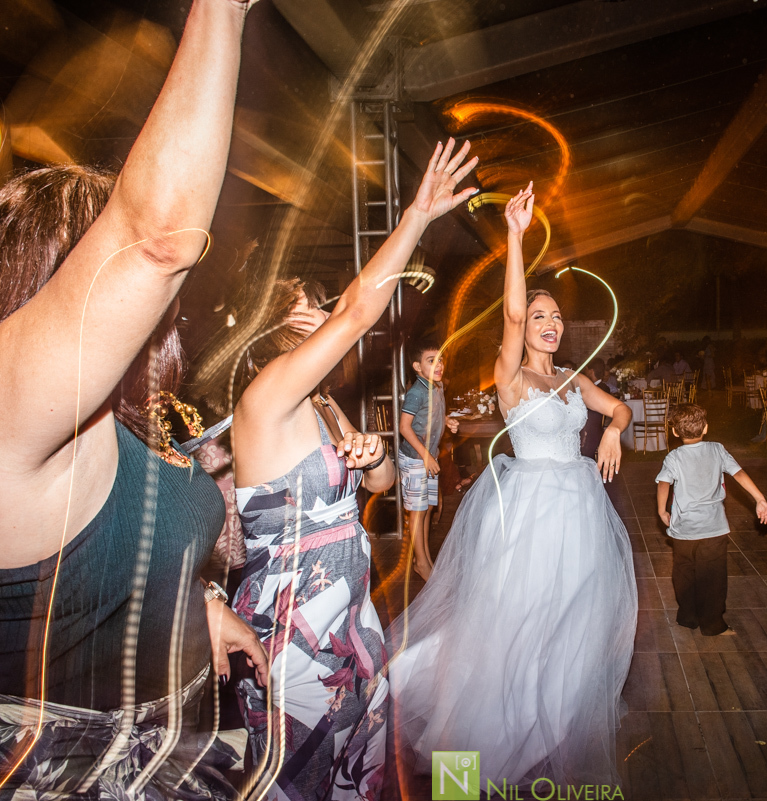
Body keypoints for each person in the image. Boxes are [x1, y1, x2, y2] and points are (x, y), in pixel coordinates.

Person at [0, 2, 269, 796]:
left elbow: (109, 560)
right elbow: (156, 238)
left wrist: (193, 608)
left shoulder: (109, 419)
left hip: (180, 747)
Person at [229, 140, 477, 800]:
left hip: (352, 620)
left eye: (319, 299)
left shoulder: (322, 400)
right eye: (300, 302)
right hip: (292, 635)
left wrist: (372, 455)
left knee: (362, 778)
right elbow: (358, 310)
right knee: (299, 782)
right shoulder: (265, 397)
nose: (318, 309)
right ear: (262, 323)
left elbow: (378, 488)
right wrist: (419, 214)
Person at [386, 183, 637, 789]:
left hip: (580, 513)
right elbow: (513, 312)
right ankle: (460, 772)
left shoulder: (576, 382)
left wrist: (613, 433)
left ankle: (543, 728)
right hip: (527, 512)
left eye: (556, 318)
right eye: (541, 317)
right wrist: (517, 236)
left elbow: (620, 408)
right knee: (504, 629)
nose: (547, 324)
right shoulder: (511, 374)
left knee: (567, 628)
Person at [656, 404, 767, 636]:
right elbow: (738, 473)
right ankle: (712, 624)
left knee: (684, 572)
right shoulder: (717, 449)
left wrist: (661, 510)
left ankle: (687, 616)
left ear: (675, 432)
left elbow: (664, 484)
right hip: (713, 528)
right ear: (706, 428)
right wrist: (760, 498)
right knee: (713, 577)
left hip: (684, 529)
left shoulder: (674, 456)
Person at [398, 339, 460, 580]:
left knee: (427, 508)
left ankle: (422, 559)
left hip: (429, 456)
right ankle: (422, 563)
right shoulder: (416, 392)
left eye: (441, 359)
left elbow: (431, 416)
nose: (439, 364)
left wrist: (447, 421)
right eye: (431, 360)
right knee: (417, 511)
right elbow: (405, 427)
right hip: (416, 458)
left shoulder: (438, 386)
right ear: (417, 366)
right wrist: (425, 456)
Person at [579, 357, 610, 460]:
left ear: (591, 371)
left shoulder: (600, 389)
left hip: (591, 430)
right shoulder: (603, 387)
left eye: (586, 370)